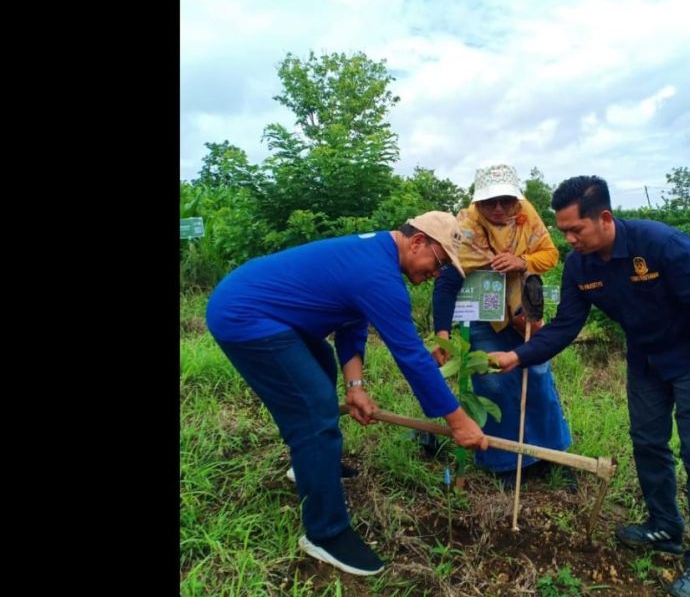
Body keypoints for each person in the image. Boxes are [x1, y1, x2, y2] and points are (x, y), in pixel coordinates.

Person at [487, 176, 690, 597]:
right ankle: (664, 527)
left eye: (574, 229)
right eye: (562, 230)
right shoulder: (580, 267)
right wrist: (518, 357)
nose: (567, 239)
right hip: (645, 360)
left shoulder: (664, 246)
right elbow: (565, 325)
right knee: (648, 442)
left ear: (604, 218)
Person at [205, 212, 489, 577]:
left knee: (319, 361)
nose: (437, 274)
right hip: (245, 315)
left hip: (270, 312)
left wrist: (355, 388)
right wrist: (459, 421)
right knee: (314, 411)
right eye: (439, 263)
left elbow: (350, 324)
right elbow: (412, 356)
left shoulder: (375, 256)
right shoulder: (378, 276)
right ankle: (325, 533)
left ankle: (312, 466)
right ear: (418, 242)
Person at [430, 164, 573, 485]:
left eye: (506, 201)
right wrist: (442, 332)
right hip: (482, 311)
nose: (498, 209)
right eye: (489, 202)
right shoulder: (464, 226)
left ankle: (552, 456)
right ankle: (506, 463)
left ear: (516, 199)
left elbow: (550, 255)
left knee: (537, 377)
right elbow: (448, 281)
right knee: (493, 383)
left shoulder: (527, 215)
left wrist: (522, 262)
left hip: (524, 308)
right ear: (477, 203)